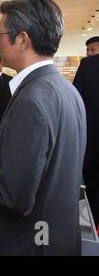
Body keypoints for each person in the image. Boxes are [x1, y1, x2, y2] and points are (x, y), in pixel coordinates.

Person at [0, 0, 86, 255]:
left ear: (22, 39)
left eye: (0, 34)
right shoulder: (67, 91)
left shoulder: (30, 100)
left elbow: (14, 198)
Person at [73, 38, 99, 226]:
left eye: (92, 49)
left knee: (89, 186)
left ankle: (89, 224)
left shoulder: (87, 65)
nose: (89, 53)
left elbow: (76, 100)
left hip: (91, 140)